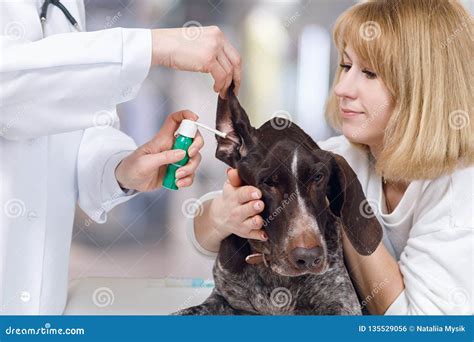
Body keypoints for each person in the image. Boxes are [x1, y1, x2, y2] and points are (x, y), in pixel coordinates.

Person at [187, 0, 473, 315]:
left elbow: (420, 328)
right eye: (346, 66)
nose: (341, 88)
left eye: (370, 73)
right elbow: (201, 236)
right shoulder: (340, 153)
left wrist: (343, 199)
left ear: (425, 88)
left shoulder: (459, 188)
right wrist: (220, 215)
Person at [0, 1, 241, 314]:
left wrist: (121, 168)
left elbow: (71, 126)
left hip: (41, 308)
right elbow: (10, 90)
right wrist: (154, 45)